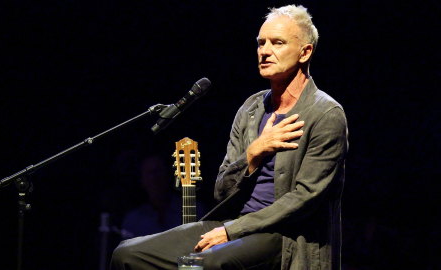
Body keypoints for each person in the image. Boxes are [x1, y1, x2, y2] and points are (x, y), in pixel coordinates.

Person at [111, 4, 348, 270]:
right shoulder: (250, 109)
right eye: (261, 43)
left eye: (277, 43)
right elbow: (221, 191)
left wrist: (233, 231)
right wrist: (252, 154)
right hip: (233, 224)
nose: (265, 51)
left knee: (203, 264)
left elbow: (304, 198)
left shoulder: (326, 113)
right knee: (126, 254)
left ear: (305, 52)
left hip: (284, 235)